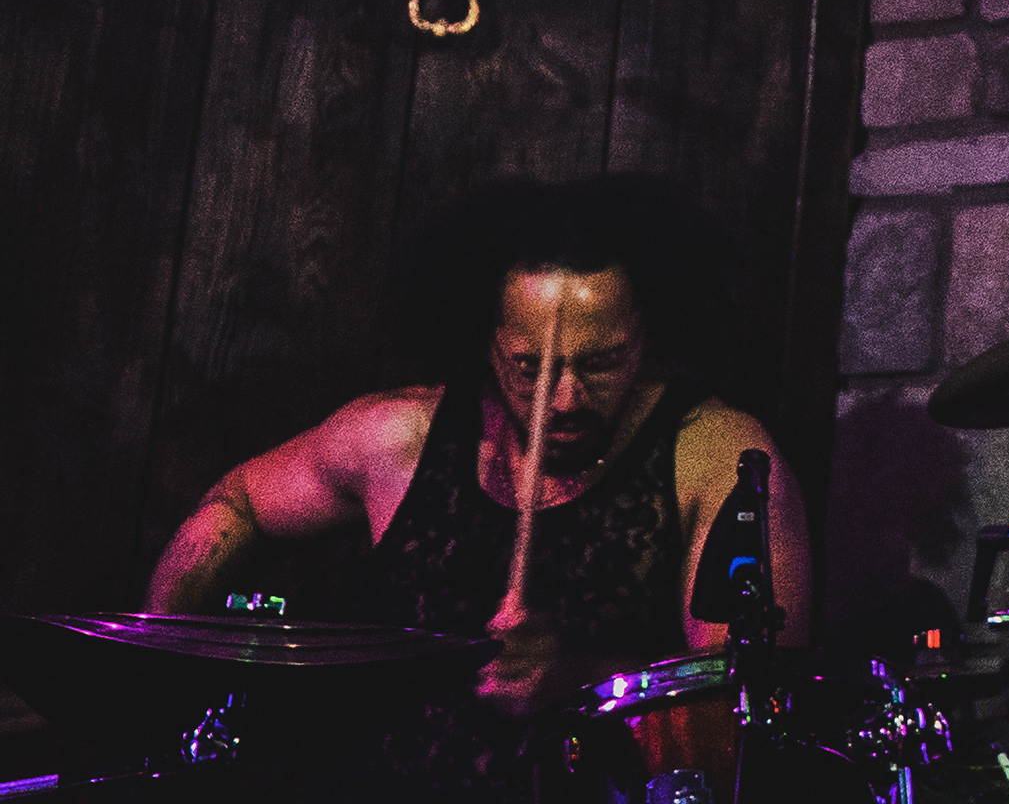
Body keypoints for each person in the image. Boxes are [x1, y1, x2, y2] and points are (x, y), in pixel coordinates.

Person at [146, 175, 811, 797]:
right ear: (488, 342)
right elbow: (238, 504)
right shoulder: (397, 437)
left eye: (603, 362)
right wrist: (157, 669)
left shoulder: (719, 456)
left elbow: (750, 707)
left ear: (647, 333)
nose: (566, 397)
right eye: (530, 367)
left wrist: (582, 679)